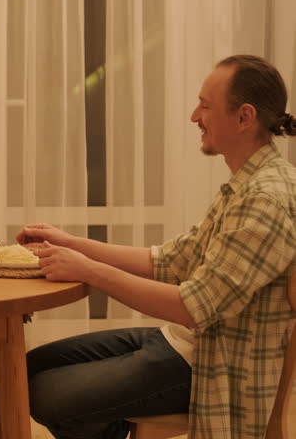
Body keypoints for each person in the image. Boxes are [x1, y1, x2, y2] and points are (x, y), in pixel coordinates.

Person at [19, 54, 296, 439]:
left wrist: (87, 270)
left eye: (205, 105)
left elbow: (193, 308)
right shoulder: (246, 185)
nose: (194, 116)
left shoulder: (266, 201)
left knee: (45, 395)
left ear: (244, 117)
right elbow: (169, 259)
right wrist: (71, 243)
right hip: (185, 342)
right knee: (27, 368)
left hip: (214, 363)